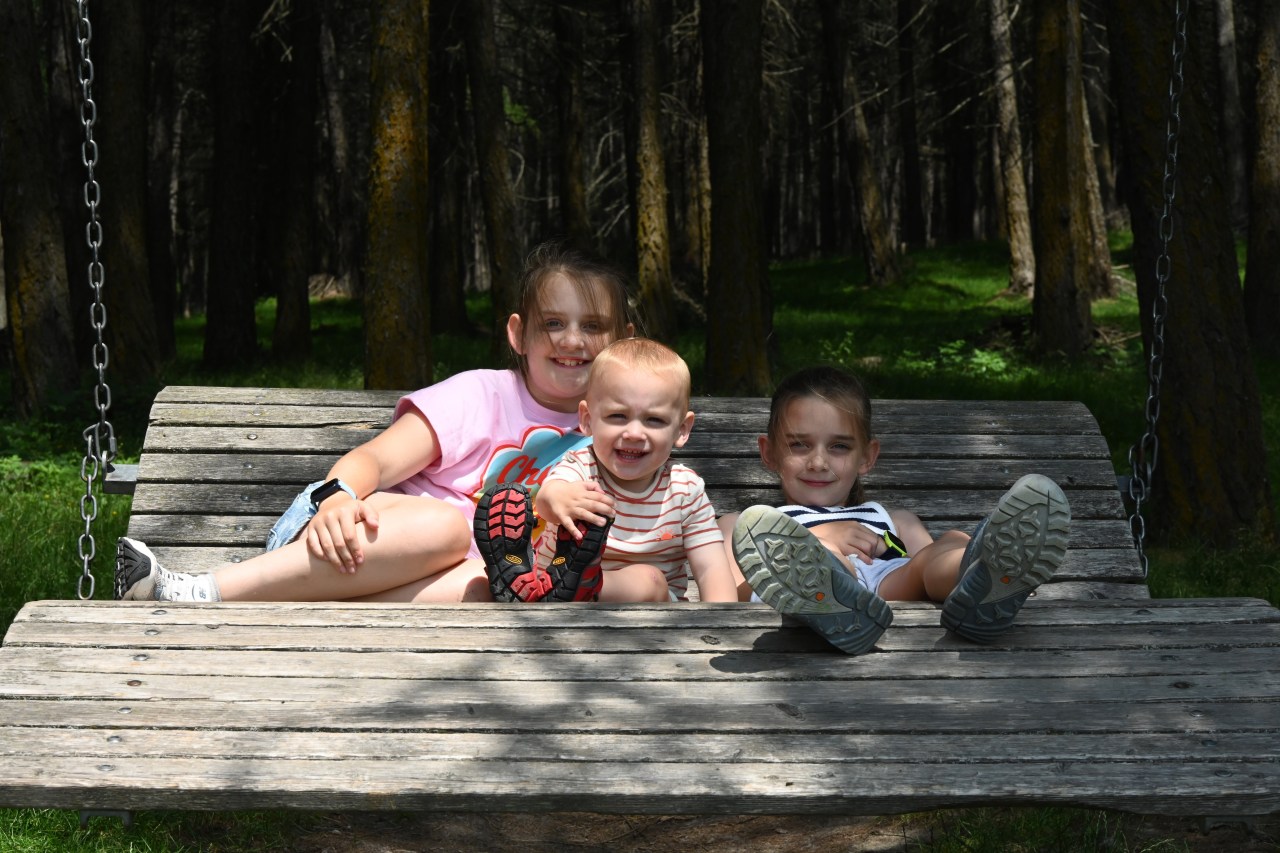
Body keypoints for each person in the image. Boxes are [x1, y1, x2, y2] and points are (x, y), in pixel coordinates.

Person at [114, 241, 635, 604]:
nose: (572, 341)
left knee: (494, 584)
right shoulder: (482, 395)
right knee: (447, 529)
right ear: (518, 334)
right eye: (553, 323)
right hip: (345, 535)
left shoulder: (622, 426)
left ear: (624, 340)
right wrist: (337, 498)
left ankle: (316, 611)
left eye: (592, 326)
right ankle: (196, 591)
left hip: (438, 584)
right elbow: (374, 460)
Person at [721, 365, 1071, 654]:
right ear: (769, 452)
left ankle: (988, 574)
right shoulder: (746, 525)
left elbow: (923, 573)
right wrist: (821, 538)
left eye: (839, 447)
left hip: (891, 587)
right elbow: (733, 596)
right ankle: (829, 593)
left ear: (867, 457)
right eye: (799, 445)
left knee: (949, 541)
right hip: (812, 594)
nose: (818, 462)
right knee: (821, 555)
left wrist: (927, 551)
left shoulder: (894, 520)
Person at [473, 338, 740, 604]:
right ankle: (547, 582)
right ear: (588, 419)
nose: (634, 433)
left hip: (649, 616)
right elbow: (546, 501)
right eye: (618, 416)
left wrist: (723, 621)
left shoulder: (685, 490)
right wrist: (559, 498)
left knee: (650, 580)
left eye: (654, 420)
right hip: (554, 609)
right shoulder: (581, 466)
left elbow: (710, 567)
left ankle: (576, 587)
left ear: (681, 430)